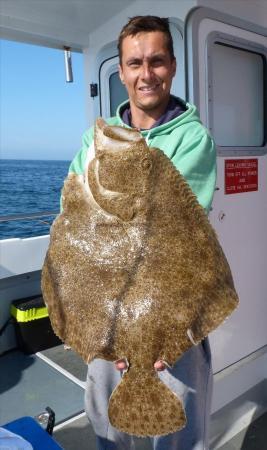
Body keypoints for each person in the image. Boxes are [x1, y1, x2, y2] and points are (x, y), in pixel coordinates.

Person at [69, 15, 216, 450]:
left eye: (156, 61)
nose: (146, 74)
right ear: (121, 72)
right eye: (135, 63)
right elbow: (73, 213)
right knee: (108, 426)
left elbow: (165, 230)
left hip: (172, 314)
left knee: (177, 431)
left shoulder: (193, 139)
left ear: (171, 66)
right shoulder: (96, 137)